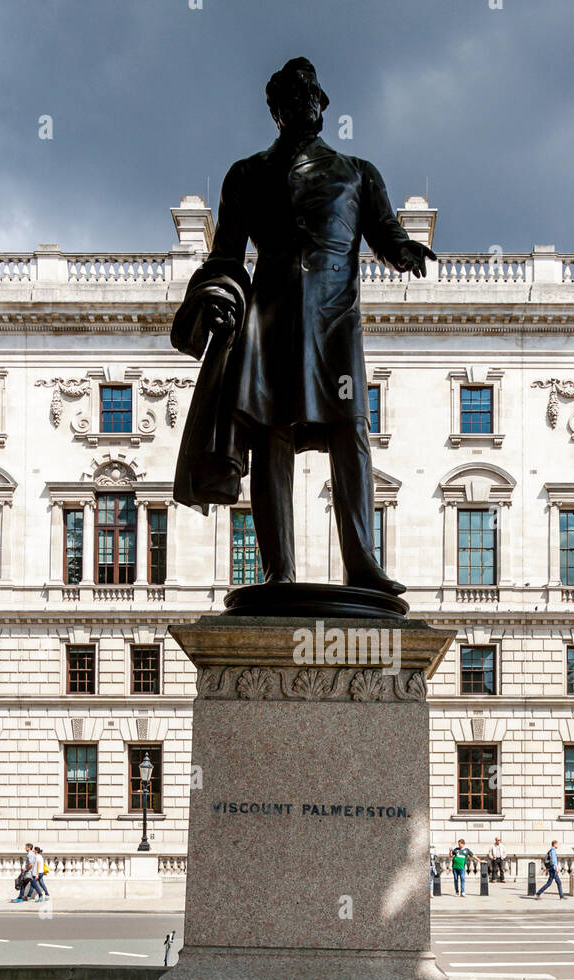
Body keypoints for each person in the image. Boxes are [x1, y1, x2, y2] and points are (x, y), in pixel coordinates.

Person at [170, 56, 433, 596]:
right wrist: (216, 295)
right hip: (270, 317)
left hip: (335, 319)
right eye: (291, 97)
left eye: (310, 95)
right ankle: (278, 571)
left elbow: (384, 233)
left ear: (323, 106)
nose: (304, 103)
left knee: (351, 431)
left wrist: (403, 248)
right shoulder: (246, 174)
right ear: (276, 111)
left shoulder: (358, 172)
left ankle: (362, 563)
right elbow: (225, 255)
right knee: (272, 437)